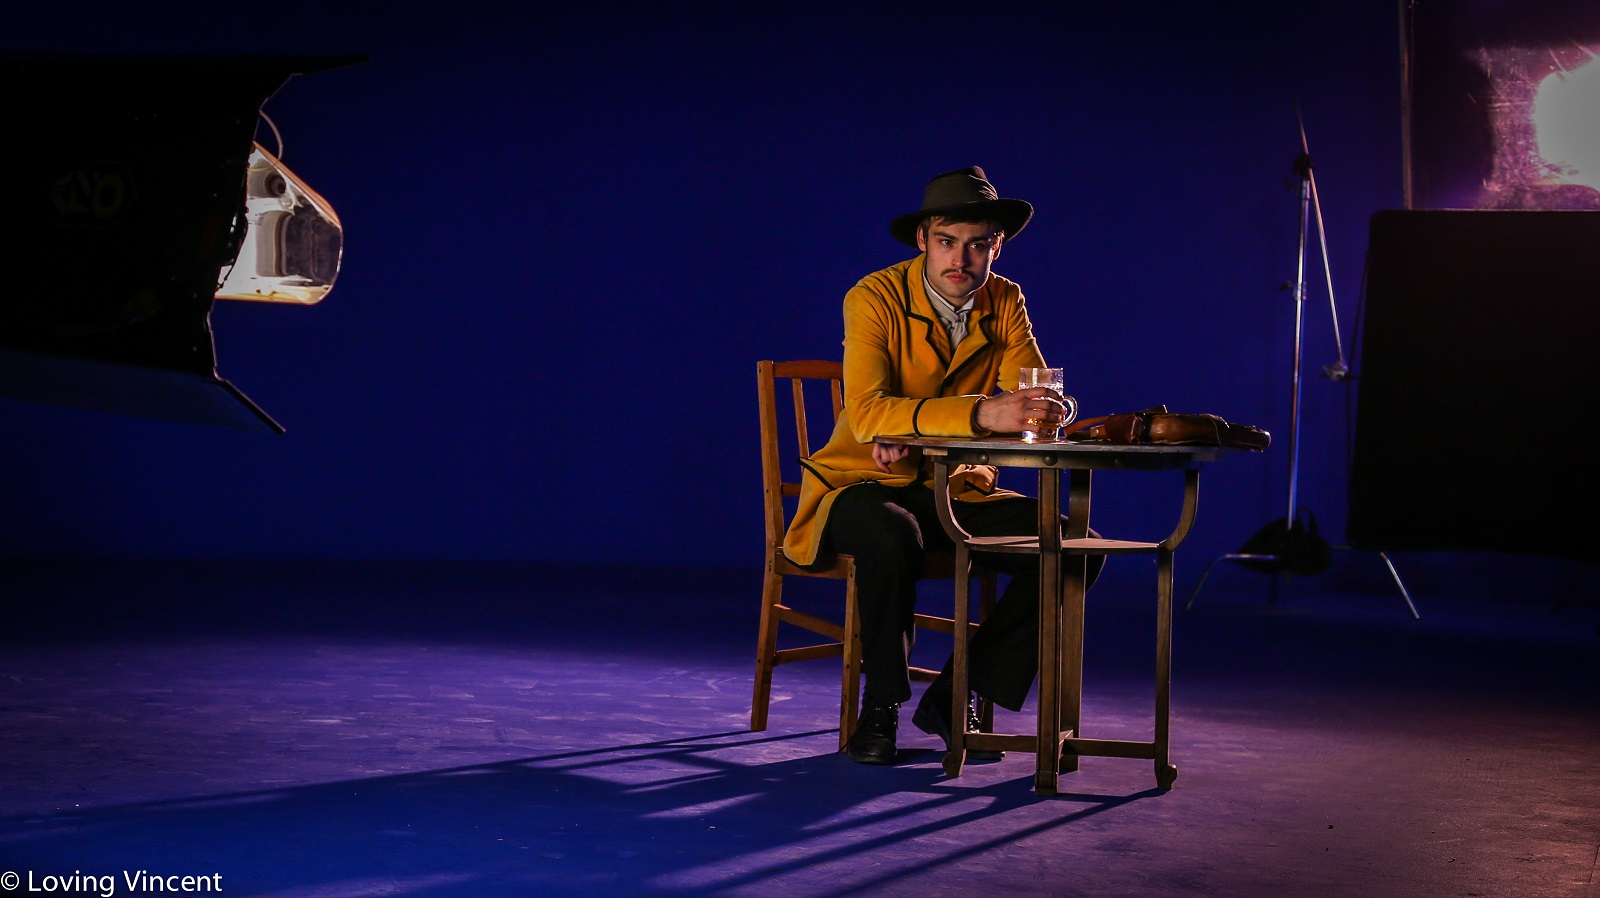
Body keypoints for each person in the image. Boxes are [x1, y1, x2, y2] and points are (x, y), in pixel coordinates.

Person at [782, 166, 1104, 764]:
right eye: (947, 241)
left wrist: (1043, 408)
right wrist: (982, 414)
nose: (961, 258)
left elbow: (1031, 395)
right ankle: (880, 706)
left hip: (953, 489)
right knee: (890, 534)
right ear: (923, 240)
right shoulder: (873, 296)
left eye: (977, 244)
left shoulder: (1005, 299)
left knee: (1073, 544)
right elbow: (868, 414)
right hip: (860, 482)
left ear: (996, 247)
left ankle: (959, 694)